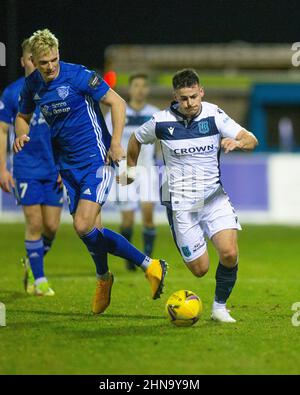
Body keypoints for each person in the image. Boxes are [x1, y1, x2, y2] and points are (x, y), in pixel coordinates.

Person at [13, 29, 167, 315]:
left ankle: (147, 265)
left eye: (54, 59)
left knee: (82, 226)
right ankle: (107, 277)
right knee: (91, 231)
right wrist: (20, 134)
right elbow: (22, 116)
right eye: (44, 62)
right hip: (67, 167)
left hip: (95, 160)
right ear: (32, 60)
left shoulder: (78, 76)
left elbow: (117, 102)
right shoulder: (32, 85)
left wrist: (116, 142)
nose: (50, 66)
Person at [123, 68, 258, 323]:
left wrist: (237, 143)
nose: (190, 104)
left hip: (213, 196)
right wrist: (130, 169)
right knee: (200, 269)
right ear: (175, 96)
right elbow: (135, 138)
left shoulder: (214, 114)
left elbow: (251, 139)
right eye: (184, 98)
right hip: (180, 201)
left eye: (194, 97)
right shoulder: (161, 122)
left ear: (201, 92)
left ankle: (219, 308)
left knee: (229, 253)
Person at [0, 38, 63, 296]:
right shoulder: (12, 93)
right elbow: (3, 131)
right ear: (26, 60)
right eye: (32, 59)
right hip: (26, 167)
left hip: (53, 167)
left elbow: (64, 131)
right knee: (35, 223)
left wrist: (64, 164)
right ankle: (39, 280)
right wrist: (3, 168)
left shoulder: (56, 89)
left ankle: (32, 261)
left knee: (52, 227)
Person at [105, 73, 159, 271]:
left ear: (148, 89)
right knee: (127, 219)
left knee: (148, 215)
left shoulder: (154, 113)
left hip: (146, 171)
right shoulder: (117, 113)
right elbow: (106, 138)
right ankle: (130, 260)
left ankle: (148, 260)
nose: (140, 89)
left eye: (144, 86)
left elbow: (161, 142)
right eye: (136, 85)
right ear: (130, 89)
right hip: (124, 171)